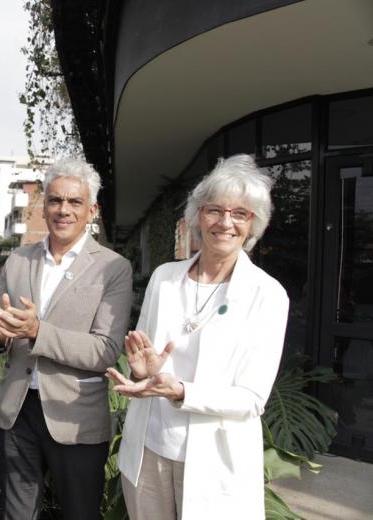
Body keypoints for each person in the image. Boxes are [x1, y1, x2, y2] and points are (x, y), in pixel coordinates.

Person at [107, 154, 289, 519]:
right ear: (197, 216)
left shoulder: (267, 295)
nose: (226, 222)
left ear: (253, 224)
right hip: (150, 453)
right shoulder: (164, 278)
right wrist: (142, 373)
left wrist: (181, 391)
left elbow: (251, 399)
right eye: (214, 210)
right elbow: (144, 364)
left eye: (241, 213)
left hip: (215, 464)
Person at [0, 158, 132, 519]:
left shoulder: (112, 267)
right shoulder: (17, 260)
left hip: (74, 417)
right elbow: (1, 335)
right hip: (16, 413)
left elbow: (105, 350)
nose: (64, 210)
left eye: (74, 202)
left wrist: (37, 332)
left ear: (91, 209)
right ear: (44, 205)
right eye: (55, 200)